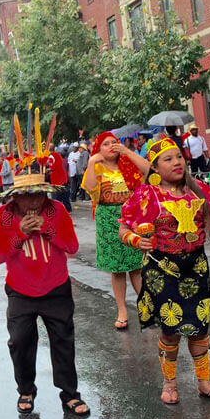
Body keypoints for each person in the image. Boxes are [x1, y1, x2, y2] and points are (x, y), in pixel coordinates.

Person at [119, 137, 210, 404]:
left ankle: (204, 381)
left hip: (195, 267)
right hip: (163, 270)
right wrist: (138, 240)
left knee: (200, 327)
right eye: (168, 159)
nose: (177, 163)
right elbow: (123, 229)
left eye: (179, 157)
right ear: (155, 168)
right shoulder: (146, 195)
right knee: (170, 330)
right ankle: (170, 383)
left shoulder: (201, 193)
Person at [0, 160, 90, 417]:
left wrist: (46, 229)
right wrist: (20, 234)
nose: (33, 201)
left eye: (38, 194)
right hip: (20, 290)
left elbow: (72, 246)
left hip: (56, 287)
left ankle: (70, 393)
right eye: (26, 195)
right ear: (15, 196)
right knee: (20, 340)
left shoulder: (56, 209)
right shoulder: (2, 215)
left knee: (63, 341)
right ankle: (26, 389)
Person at [82, 131, 150, 330]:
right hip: (107, 219)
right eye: (105, 144)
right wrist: (91, 162)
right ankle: (122, 309)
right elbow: (90, 188)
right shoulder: (97, 166)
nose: (111, 146)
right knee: (117, 269)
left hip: (131, 217)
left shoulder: (127, 163)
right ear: (98, 150)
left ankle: (145, 308)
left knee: (137, 265)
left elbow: (149, 171)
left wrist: (127, 152)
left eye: (114, 142)